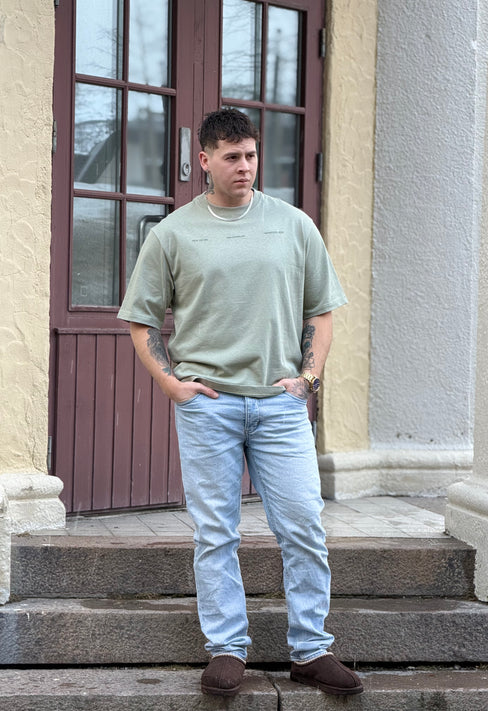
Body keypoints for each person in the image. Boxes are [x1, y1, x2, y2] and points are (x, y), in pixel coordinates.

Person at [118, 108, 363, 697]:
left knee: (304, 526)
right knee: (215, 534)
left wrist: (308, 379)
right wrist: (171, 384)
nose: (245, 166)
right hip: (209, 406)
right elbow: (140, 320)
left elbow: (321, 311)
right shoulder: (173, 233)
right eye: (231, 157)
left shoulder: (294, 225)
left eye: (251, 155)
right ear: (204, 160)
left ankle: (311, 649)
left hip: (280, 407)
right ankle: (227, 649)